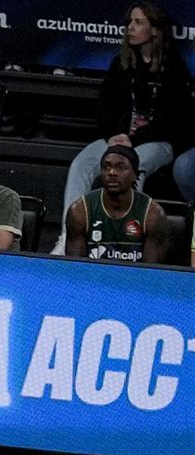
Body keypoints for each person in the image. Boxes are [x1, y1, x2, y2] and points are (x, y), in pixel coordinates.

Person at [65, 4, 189, 218]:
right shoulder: (120, 63)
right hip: (118, 138)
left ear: (155, 30)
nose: (130, 27)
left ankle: (125, 233)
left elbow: (172, 120)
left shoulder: (173, 68)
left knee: (131, 165)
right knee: (81, 164)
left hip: (156, 142)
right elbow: (104, 107)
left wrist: (134, 139)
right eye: (129, 22)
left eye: (138, 22)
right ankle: (70, 234)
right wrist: (113, 135)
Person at [64, 143, 169, 263]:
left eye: (121, 167)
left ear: (135, 175)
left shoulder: (152, 215)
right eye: (106, 167)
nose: (112, 172)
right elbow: (76, 269)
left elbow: (150, 274)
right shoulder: (80, 211)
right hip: (93, 279)